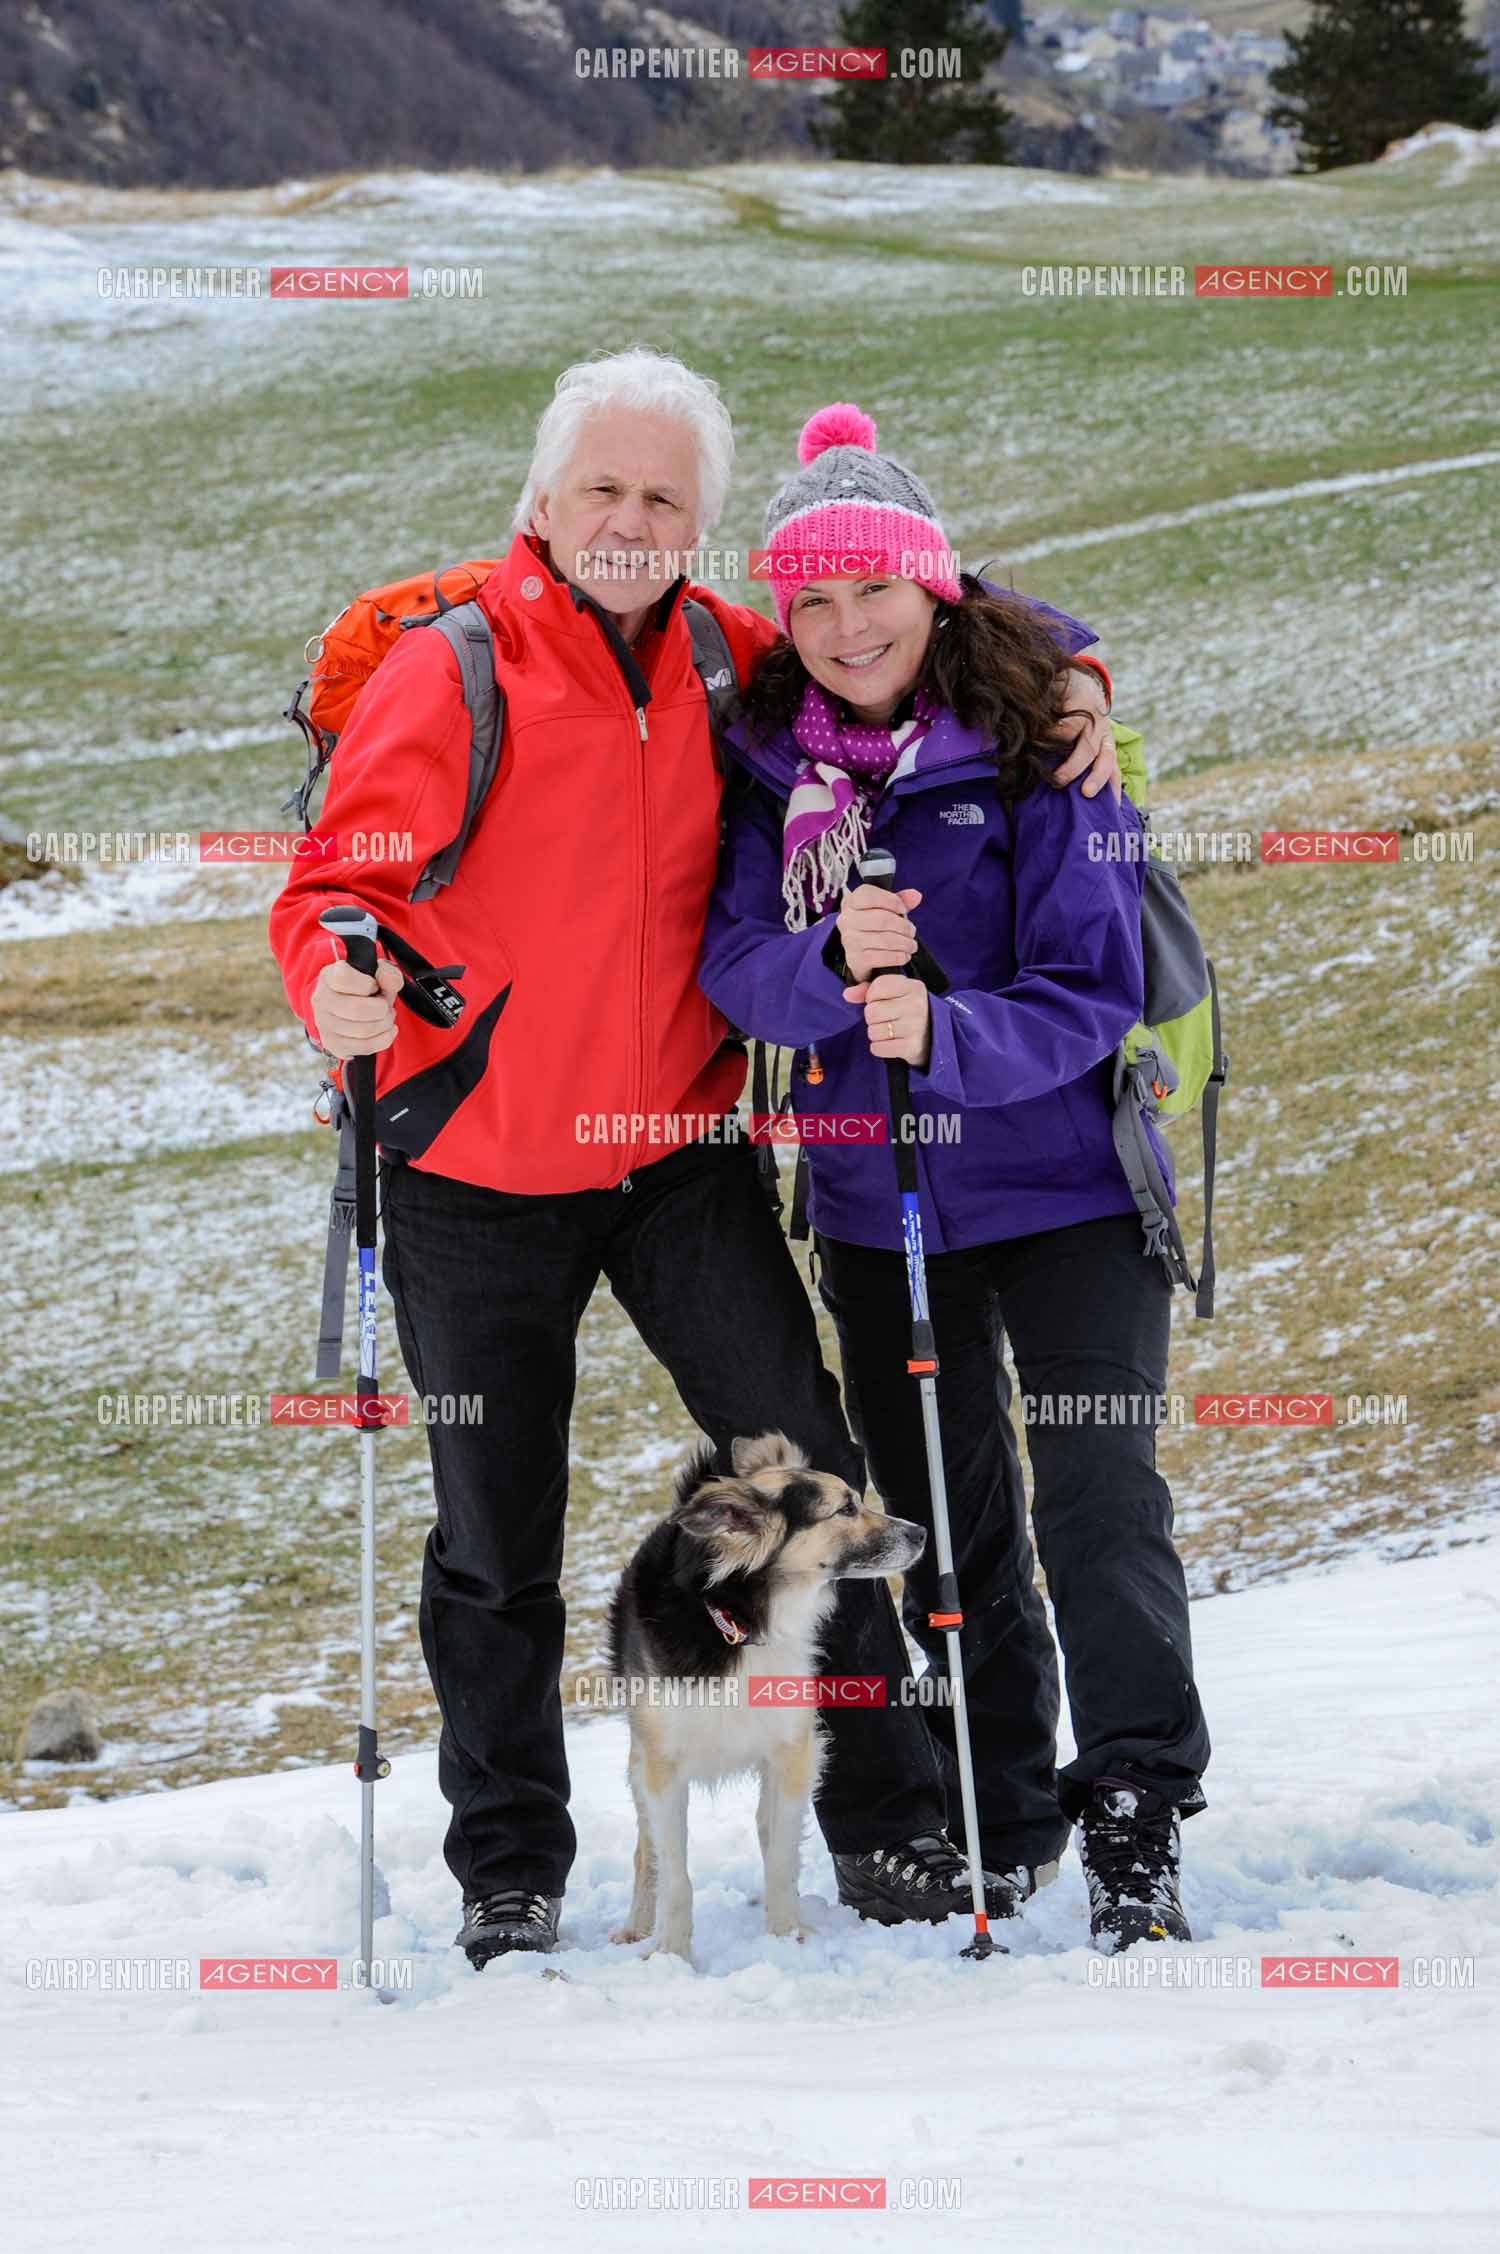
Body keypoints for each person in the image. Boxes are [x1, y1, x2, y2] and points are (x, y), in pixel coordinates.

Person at [268, 352, 1122, 1968]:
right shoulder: (454, 670)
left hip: (674, 1157)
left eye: (666, 498)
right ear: (544, 498)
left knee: (809, 1482)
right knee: (493, 1537)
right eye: (604, 488)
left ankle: (882, 1825)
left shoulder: (732, 654)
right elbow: (334, 881)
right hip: (472, 1165)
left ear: (704, 529)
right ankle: (510, 1866)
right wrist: (330, 968)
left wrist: (1071, 666)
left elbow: (910, 597)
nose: (630, 521)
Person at [698, 403, 1211, 1949]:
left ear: (937, 588)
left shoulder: (1048, 738)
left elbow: (1097, 983)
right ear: (786, 614)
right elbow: (733, 964)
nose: (852, 627)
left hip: (1067, 1193)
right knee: (944, 1517)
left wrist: (948, 1024)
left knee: (1101, 1500)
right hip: (878, 1200)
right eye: (816, 600)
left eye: (878, 590)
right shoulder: (769, 761)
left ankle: (1134, 1805)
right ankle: (1004, 1803)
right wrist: (825, 974)